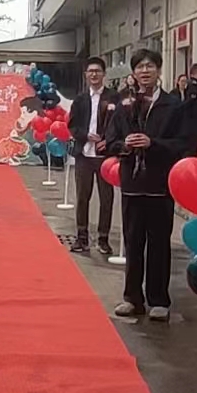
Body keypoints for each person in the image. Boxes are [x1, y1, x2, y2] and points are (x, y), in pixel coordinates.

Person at [108, 47, 184, 322]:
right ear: (134, 72)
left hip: (160, 184)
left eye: (150, 66)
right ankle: (132, 298)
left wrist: (154, 144)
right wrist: (124, 145)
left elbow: (184, 144)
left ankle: (159, 300)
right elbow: (110, 141)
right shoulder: (125, 105)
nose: (145, 71)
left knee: (159, 243)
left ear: (159, 70)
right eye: (140, 66)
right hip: (132, 183)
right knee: (133, 242)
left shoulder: (173, 105)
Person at [67, 56, 119, 255]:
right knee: (82, 196)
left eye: (98, 71)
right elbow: (72, 125)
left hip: (105, 157)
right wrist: (85, 135)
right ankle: (81, 237)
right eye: (91, 71)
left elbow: (120, 124)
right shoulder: (80, 100)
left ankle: (103, 238)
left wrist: (108, 140)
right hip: (84, 155)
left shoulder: (114, 98)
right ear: (86, 75)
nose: (94, 74)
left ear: (104, 74)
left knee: (106, 198)